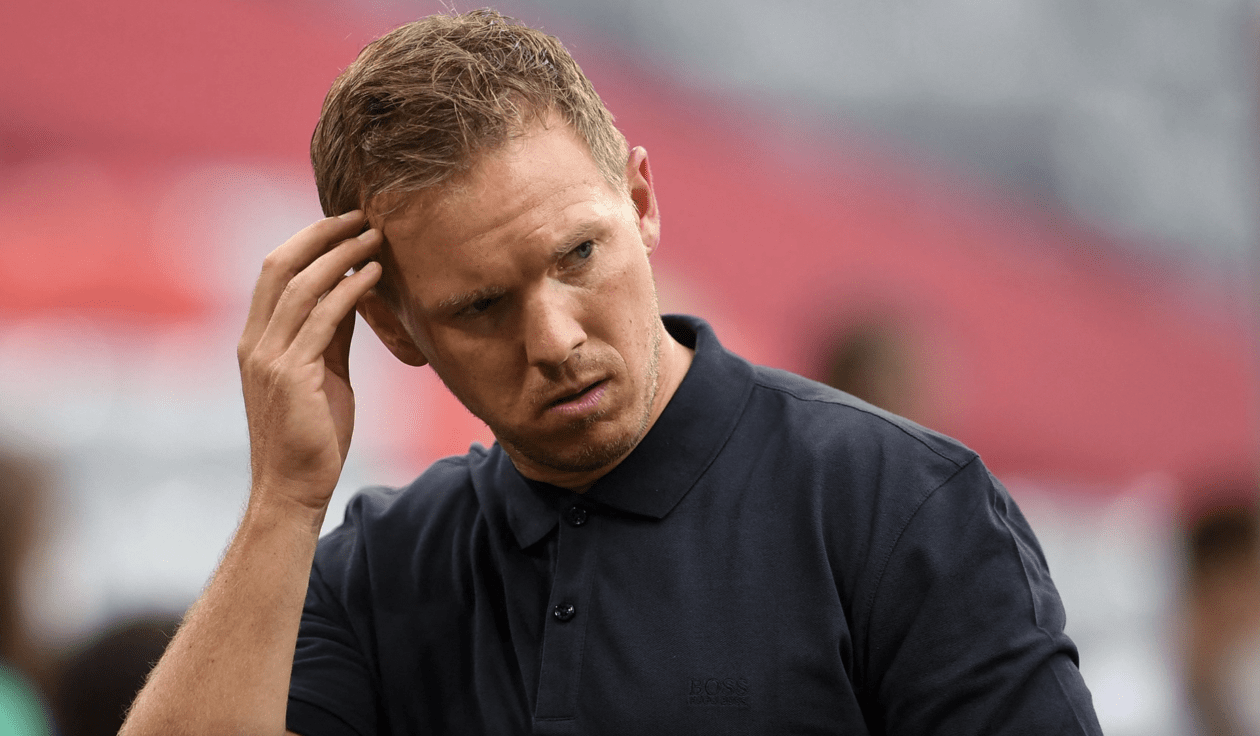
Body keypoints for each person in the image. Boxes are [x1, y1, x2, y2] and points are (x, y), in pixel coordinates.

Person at [121, 9, 1101, 735]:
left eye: (578, 254)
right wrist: (283, 501)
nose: (553, 338)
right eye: (481, 306)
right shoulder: (377, 570)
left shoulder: (902, 506)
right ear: (393, 326)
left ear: (640, 202)